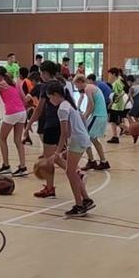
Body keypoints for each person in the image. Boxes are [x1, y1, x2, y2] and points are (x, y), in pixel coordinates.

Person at [26, 60, 75, 198]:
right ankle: (73, 174)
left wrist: (29, 124)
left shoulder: (45, 87)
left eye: (41, 72)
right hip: (60, 124)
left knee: (49, 158)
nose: (40, 75)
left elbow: (39, 109)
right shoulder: (60, 83)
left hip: (50, 124)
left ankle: (51, 187)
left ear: (46, 73)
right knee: (54, 156)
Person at [46, 81, 95, 217]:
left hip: (78, 139)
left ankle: (79, 205)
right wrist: (63, 151)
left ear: (56, 95)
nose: (50, 101)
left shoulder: (62, 108)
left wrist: (57, 152)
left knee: (70, 172)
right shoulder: (67, 104)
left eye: (50, 97)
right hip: (81, 138)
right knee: (71, 171)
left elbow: (64, 133)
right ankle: (86, 199)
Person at [0, 66, 28, 177]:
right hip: (22, 112)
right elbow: (23, 98)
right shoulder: (14, 83)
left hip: (12, 113)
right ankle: (23, 167)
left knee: (2, 138)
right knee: (18, 140)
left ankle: (6, 166)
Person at [74, 74, 110, 170]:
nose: (76, 87)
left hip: (98, 115)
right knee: (93, 139)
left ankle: (92, 161)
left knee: (85, 137)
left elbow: (91, 105)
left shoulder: (87, 88)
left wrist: (85, 116)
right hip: (100, 115)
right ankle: (103, 161)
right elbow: (90, 104)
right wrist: (85, 115)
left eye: (76, 85)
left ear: (81, 82)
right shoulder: (91, 87)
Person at [107, 67, 128, 144]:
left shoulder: (116, 83)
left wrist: (111, 103)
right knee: (115, 121)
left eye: (110, 74)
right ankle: (115, 136)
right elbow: (123, 92)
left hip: (116, 105)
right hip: (120, 104)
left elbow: (117, 95)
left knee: (113, 121)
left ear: (113, 74)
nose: (109, 76)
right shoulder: (120, 80)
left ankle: (130, 131)